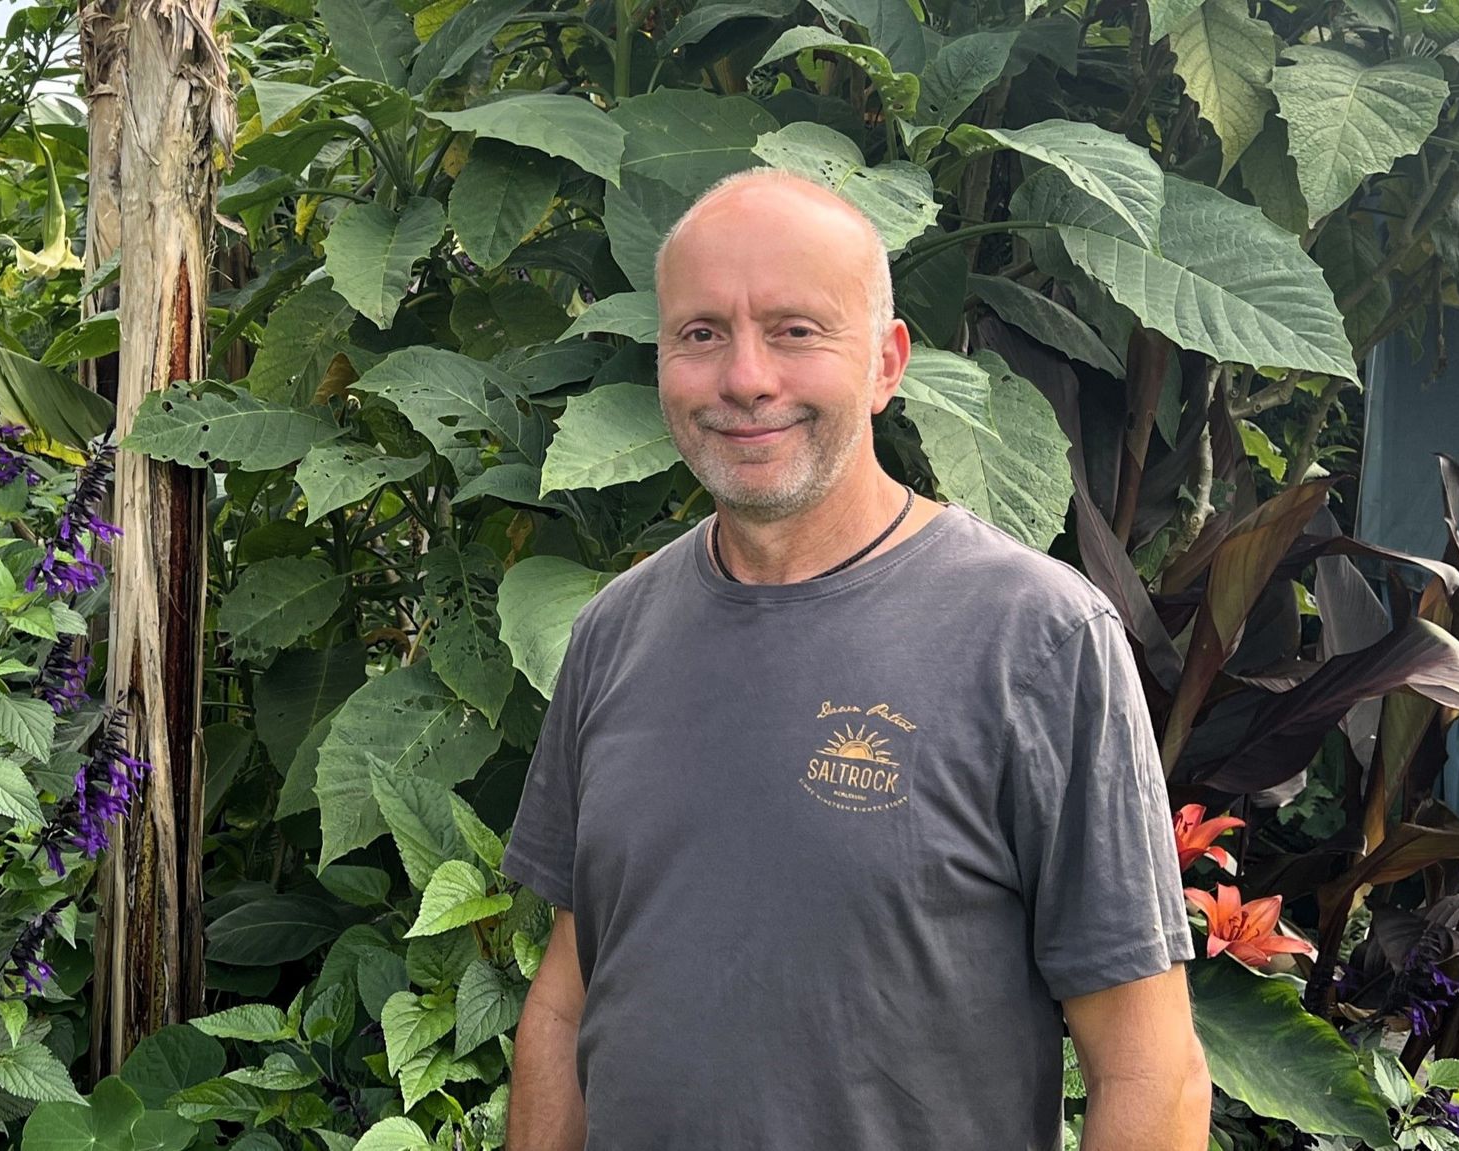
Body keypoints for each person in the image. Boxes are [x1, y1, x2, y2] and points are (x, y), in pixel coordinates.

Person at [500, 168, 1211, 1151]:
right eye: (701, 332)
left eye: (794, 329)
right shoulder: (612, 632)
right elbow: (566, 998)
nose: (745, 377)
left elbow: (1149, 1072)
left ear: (885, 363)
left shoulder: (1035, 639)